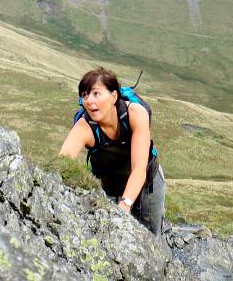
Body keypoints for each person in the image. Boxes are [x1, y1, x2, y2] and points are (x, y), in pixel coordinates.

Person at [59, 67, 166, 235]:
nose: (89, 100)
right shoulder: (84, 127)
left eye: (96, 93)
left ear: (114, 96)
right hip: (111, 187)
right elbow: (62, 164)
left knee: (152, 234)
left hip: (148, 182)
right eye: (85, 95)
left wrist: (125, 205)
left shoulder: (135, 113)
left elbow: (139, 169)